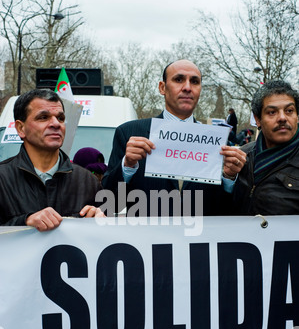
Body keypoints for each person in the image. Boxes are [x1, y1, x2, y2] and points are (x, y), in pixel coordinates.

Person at [102, 59, 246, 216]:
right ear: (162, 87)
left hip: (199, 238)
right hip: (146, 238)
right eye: (179, 80)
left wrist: (229, 179)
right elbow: (109, 204)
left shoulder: (218, 143)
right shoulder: (129, 133)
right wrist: (127, 166)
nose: (187, 87)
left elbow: (232, 212)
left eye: (195, 82)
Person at [0, 88, 104, 231]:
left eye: (60, 118)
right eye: (43, 117)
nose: (56, 124)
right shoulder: (2, 178)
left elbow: (104, 243)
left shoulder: (87, 181)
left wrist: (101, 222)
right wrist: (25, 221)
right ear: (20, 128)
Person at [232, 80, 299, 215]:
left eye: (289, 111)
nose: (282, 118)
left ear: (297, 116)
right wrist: (228, 177)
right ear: (257, 120)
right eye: (272, 112)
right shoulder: (240, 156)